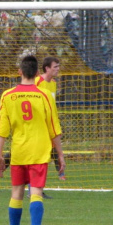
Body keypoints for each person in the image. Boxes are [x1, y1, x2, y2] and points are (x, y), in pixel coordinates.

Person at [0, 55, 65, 225]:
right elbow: (54, 128)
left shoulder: (7, 95)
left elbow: (2, 130)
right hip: (39, 152)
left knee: (16, 193)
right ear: (36, 73)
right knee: (36, 193)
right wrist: (60, 155)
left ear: (20, 72)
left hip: (18, 152)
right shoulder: (44, 95)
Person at [34, 56, 64, 199]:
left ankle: (36, 189)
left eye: (58, 67)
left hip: (49, 124)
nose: (58, 69)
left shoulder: (53, 83)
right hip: (37, 125)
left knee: (46, 154)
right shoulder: (37, 81)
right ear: (47, 68)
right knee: (37, 155)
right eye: (55, 67)